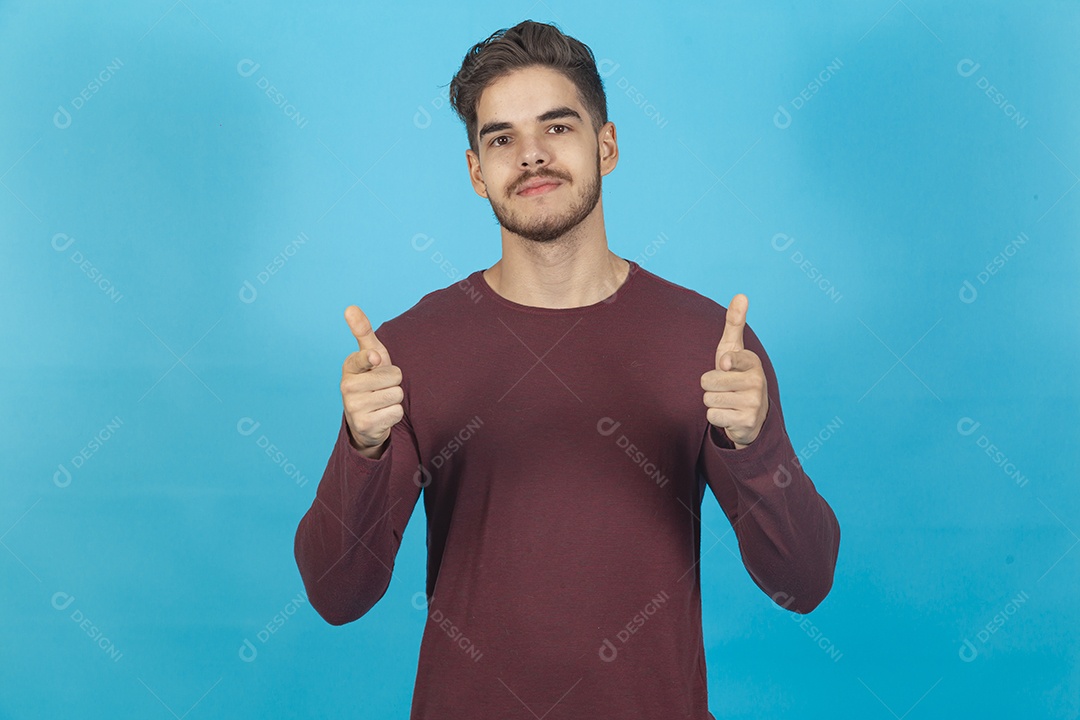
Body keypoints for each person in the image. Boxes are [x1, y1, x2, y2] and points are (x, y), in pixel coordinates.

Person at [294, 19, 840, 719]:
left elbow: (805, 581)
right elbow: (338, 595)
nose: (530, 157)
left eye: (557, 128)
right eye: (501, 139)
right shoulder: (407, 354)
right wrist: (362, 450)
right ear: (475, 172)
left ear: (605, 146)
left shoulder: (711, 347)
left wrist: (754, 445)